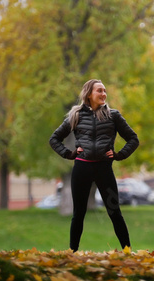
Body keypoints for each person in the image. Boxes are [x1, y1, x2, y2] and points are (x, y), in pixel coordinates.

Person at [49, 79, 139, 252]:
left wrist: (120, 155)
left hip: (104, 170)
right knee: (78, 215)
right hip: (82, 169)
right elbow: (54, 139)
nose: (104, 94)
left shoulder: (114, 116)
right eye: (99, 90)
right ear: (89, 93)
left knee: (115, 213)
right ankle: (72, 253)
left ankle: (128, 252)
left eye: (105, 91)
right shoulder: (76, 115)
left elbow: (133, 139)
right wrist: (69, 154)